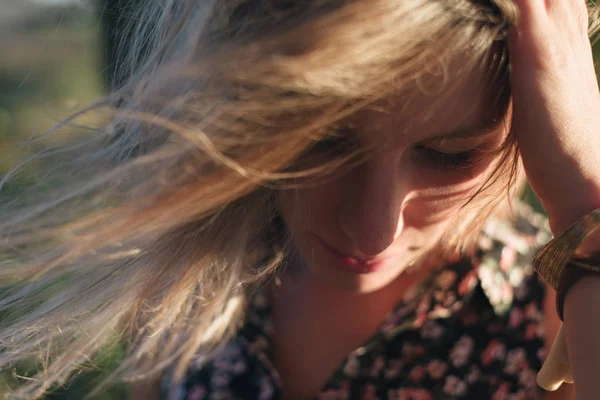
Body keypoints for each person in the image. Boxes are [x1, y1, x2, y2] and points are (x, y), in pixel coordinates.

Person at [1, 0, 600, 399]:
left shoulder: (557, 315)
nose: (373, 231)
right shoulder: (183, 285)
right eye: (324, 142)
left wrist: (584, 200)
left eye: (449, 154)